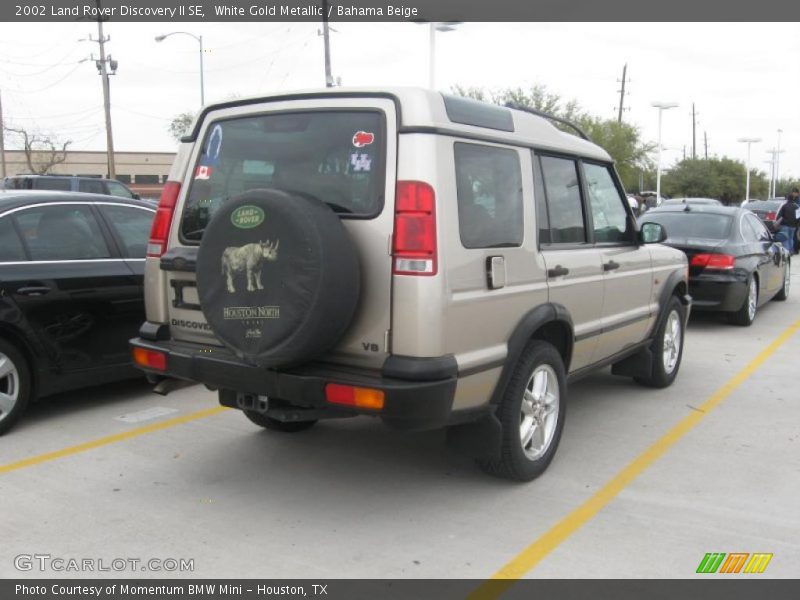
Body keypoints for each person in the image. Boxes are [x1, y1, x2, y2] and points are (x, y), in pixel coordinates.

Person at [775, 188, 800, 254]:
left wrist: (777, 224)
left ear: (787, 199)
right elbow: (798, 218)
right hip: (793, 226)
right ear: (793, 199)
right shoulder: (797, 207)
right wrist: (797, 226)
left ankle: (786, 253)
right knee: (791, 239)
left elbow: (779, 216)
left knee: (785, 239)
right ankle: (791, 251)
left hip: (785, 225)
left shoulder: (784, 206)